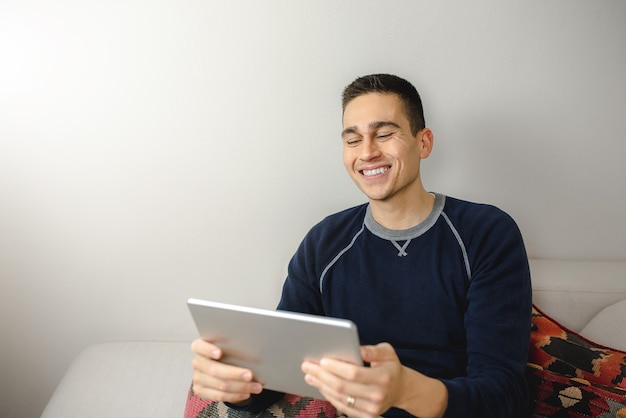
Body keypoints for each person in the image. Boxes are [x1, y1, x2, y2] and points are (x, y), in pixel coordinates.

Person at [191, 74, 532, 418]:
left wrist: (406, 391)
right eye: (353, 140)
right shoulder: (323, 243)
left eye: (384, 134)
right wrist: (237, 388)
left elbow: (504, 395)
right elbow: (283, 367)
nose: (367, 152)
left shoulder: (487, 233)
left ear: (424, 143)